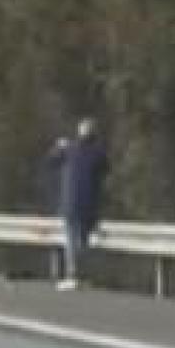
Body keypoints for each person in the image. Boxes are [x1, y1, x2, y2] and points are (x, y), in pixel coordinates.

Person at [49, 118, 107, 290]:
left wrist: (59, 146)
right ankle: (82, 275)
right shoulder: (98, 153)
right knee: (83, 241)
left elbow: (51, 161)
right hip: (90, 206)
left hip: (71, 204)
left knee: (72, 241)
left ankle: (73, 275)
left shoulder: (68, 150)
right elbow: (106, 168)